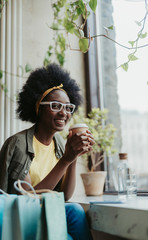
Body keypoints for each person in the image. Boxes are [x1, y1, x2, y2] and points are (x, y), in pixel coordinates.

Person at [0, 63, 95, 240]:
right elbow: (30, 199)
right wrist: (66, 159)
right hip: (23, 215)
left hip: (47, 211)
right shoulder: (18, 145)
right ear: (39, 107)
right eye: (55, 105)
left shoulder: (59, 144)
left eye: (68, 107)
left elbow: (64, 196)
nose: (64, 113)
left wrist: (72, 157)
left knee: (74, 209)